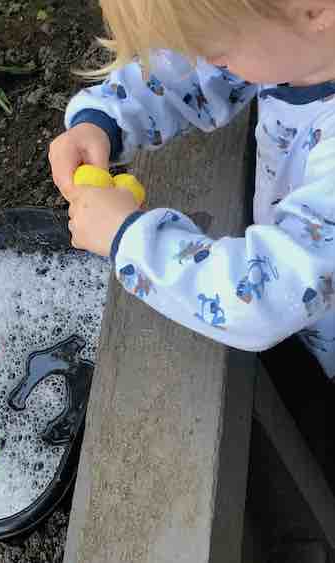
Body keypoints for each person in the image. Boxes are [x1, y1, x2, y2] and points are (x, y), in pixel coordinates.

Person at [49, 0, 335, 492]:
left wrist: (130, 240)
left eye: (219, 53)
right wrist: (104, 119)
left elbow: (266, 297)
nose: (208, 63)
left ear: (313, 9)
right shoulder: (302, 41)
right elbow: (190, 73)